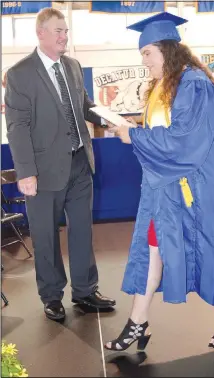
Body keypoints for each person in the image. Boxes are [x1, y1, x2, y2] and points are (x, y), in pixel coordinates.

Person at [105, 12, 214, 351]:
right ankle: (137, 323)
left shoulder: (194, 84)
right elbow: (168, 130)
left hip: (200, 190)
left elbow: (185, 140)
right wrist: (131, 127)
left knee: (213, 254)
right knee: (152, 250)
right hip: (167, 190)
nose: (144, 62)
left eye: (147, 54)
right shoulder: (164, 88)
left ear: (167, 50)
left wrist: (135, 136)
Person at [5, 7, 115, 321]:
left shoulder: (73, 66)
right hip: (42, 172)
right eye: (58, 31)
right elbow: (18, 127)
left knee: (82, 232)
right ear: (40, 33)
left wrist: (112, 121)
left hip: (80, 163)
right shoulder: (19, 74)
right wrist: (25, 172)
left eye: (66, 31)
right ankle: (52, 296)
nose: (64, 36)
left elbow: (84, 106)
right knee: (46, 237)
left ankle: (85, 291)